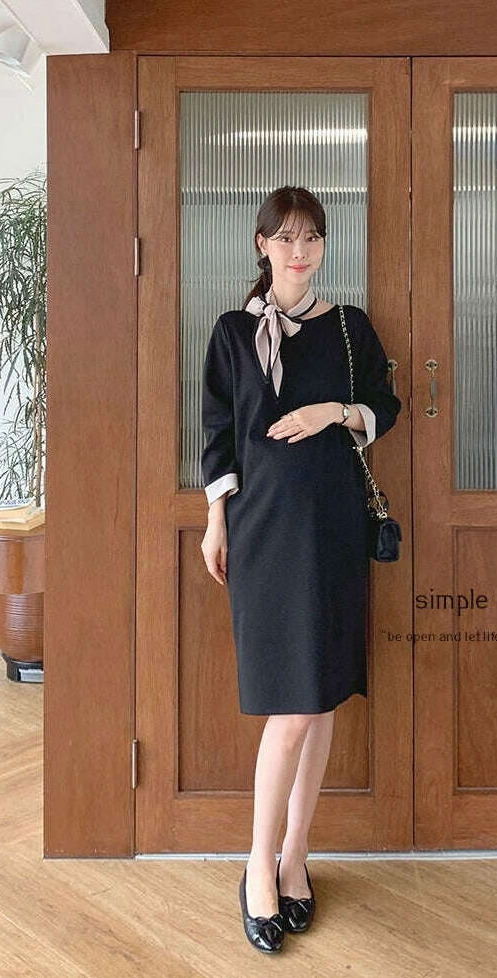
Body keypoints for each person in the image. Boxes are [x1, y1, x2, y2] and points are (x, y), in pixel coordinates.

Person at [199, 185, 402, 952]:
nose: (298, 250)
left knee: (320, 702)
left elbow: (384, 402)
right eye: (284, 237)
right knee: (289, 707)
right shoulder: (231, 332)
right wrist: (214, 518)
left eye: (310, 236)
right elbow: (218, 433)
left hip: (333, 529)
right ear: (261, 245)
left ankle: (294, 855)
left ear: (322, 246)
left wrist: (334, 412)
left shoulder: (348, 327)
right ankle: (257, 863)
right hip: (262, 532)